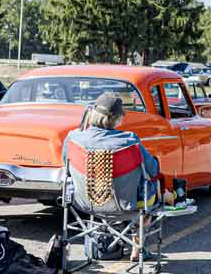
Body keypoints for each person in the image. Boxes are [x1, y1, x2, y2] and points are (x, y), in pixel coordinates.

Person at [65, 93, 176, 261]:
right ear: (117, 119)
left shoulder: (73, 138)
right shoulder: (129, 141)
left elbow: (66, 166)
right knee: (148, 198)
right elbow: (153, 171)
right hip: (126, 204)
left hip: (83, 202)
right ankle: (137, 249)